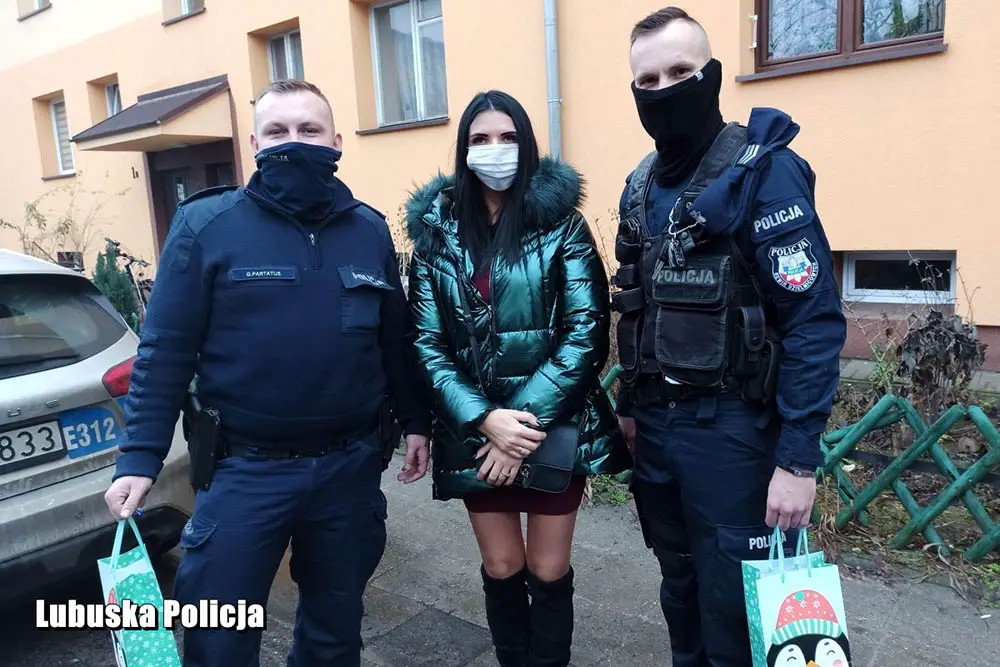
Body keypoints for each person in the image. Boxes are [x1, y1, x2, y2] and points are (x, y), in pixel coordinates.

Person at [102, 79, 430, 667]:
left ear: (336, 142)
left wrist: (416, 421)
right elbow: (166, 350)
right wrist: (140, 458)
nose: (293, 142)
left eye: (309, 130)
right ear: (254, 144)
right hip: (244, 471)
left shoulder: (369, 230)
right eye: (277, 131)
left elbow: (394, 340)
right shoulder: (207, 226)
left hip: (349, 471)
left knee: (334, 635)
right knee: (220, 638)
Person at [611, 8, 847, 667]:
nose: (664, 90)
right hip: (656, 431)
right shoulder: (639, 187)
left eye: (680, 71)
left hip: (734, 433)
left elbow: (813, 322)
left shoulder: (763, 172)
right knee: (680, 590)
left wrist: (797, 462)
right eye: (648, 80)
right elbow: (636, 308)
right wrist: (629, 407)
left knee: (739, 612)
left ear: (712, 75)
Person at [404, 90, 631, 667]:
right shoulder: (436, 234)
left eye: (507, 137)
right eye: (480, 139)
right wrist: (486, 421)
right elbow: (427, 345)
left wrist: (517, 429)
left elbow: (586, 334)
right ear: (463, 150)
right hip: (476, 434)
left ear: (526, 145)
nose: (495, 149)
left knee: (548, 569)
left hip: (551, 426)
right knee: (502, 566)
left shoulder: (562, 226)